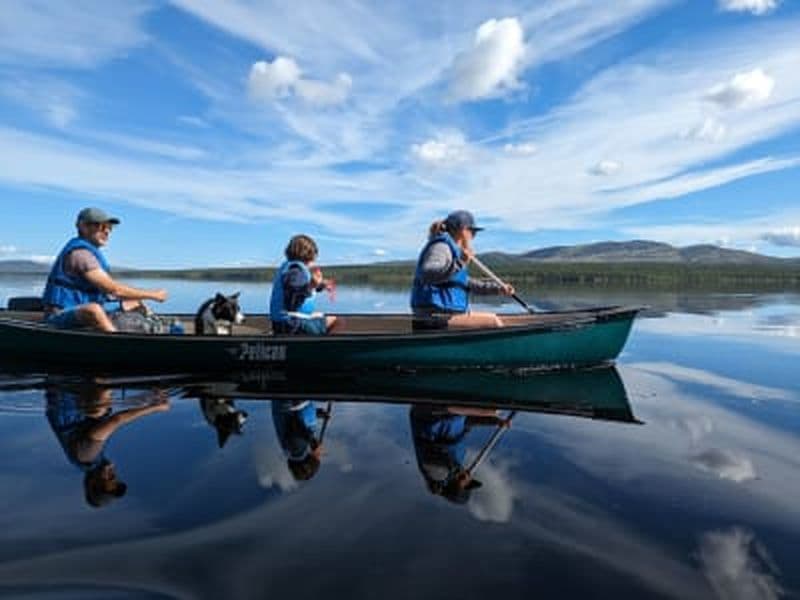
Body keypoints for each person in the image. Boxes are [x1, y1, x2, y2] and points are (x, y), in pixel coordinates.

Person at [45, 379, 170, 508]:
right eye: (115, 477)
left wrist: (155, 408)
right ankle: (153, 392)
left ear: (93, 483)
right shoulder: (88, 460)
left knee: (99, 411)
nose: (114, 473)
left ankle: (105, 376)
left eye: (109, 477)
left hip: (65, 388)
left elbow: (116, 420)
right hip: (68, 391)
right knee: (102, 412)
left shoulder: (87, 455)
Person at [41, 207, 168, 332]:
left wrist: (132, 301)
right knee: (94, 310)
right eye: (101, 227)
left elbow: (109, 294)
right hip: (60, 314)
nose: (107, 231)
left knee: (135, 302)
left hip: (81, 305)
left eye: (109, 228)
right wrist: (153, 295)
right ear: (83, 226)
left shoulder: (90, 253)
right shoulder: (80, 254)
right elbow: (114, 290)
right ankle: (119, 343)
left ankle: (154, 329)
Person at [410, 210, 514, 330]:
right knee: (493, 322)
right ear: (462, 230)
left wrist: (498, 289)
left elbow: (465, 282)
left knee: (496, 319)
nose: (473, 236)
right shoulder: (441, 247)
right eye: (472, 232)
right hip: (434, 317)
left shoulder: (453, 250)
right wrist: (461, 262)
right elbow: (428, 273)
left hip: (445, 315)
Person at [409, 404, 510, 504]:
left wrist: (483, 412)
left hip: (429, 414)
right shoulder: (458, 463)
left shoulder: (438, 474)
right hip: (452, 413)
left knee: (487, 410)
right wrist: (495, 422)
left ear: (456, 487)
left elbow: (434, 452)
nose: (469, 477)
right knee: (488, 411)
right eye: (470, 481)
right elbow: (467, 422)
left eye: (467, 484)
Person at [269, 234, 339, 335]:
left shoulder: (291, 268)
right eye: (314, 254)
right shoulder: (296, 271)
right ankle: (325, 348)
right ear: (308, 253)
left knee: (320, 315)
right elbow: (293, 300)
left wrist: (321, 285)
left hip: (282, 323)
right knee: (337, 321)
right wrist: (312, 285)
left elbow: (299, 287)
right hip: (291, 324)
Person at [271, 399, 331, 481]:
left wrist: (313, 442)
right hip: (290, 403)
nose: (319, 456)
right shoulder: (294, 451)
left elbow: (295, 425)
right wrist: (316, 413)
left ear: (307, 466)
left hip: (289, 401)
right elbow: (299, 421)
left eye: (318, 458)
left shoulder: (296, 452)